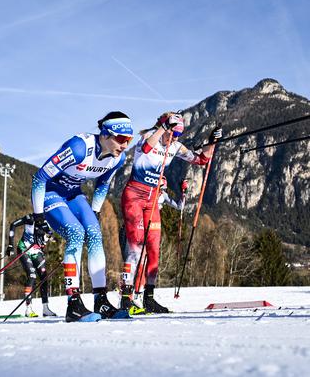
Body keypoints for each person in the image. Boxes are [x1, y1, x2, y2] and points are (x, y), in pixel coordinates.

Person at [31, 112, 133, 322]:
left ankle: (101, 300)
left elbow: (102, 184)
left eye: (129, 140)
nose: (124, 145)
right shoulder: (79, 148)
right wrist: (39, 217)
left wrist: (94, 212)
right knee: (76, 233)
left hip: (73, 194)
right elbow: (39, 178)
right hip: (50, 192)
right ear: (105, 135)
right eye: (121, 139)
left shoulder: (117, 158)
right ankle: (73, 303)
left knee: (94, 232)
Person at [120, 112, 221, 314]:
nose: (174, 138)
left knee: (154, 249)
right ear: (164, 127)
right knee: (135, 246)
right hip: (134, 196)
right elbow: (148, 147)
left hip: (152, 199)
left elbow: (201, 159)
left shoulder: (174, 146)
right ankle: (126, 297)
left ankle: (149, 298)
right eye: (172, 133)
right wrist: (165, 127)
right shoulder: (148, 136)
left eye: (178, 135)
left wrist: (212, 141)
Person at [6, 214, 57, 317]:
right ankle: (28, 309)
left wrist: (48, 237)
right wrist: (10, 245)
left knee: (44, 277)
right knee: (32, 275)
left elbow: (49, 235)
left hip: (36, 251)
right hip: (24, 249)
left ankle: (45, 309)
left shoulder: (49, 220)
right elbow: (13, 225)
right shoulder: (30, 219)